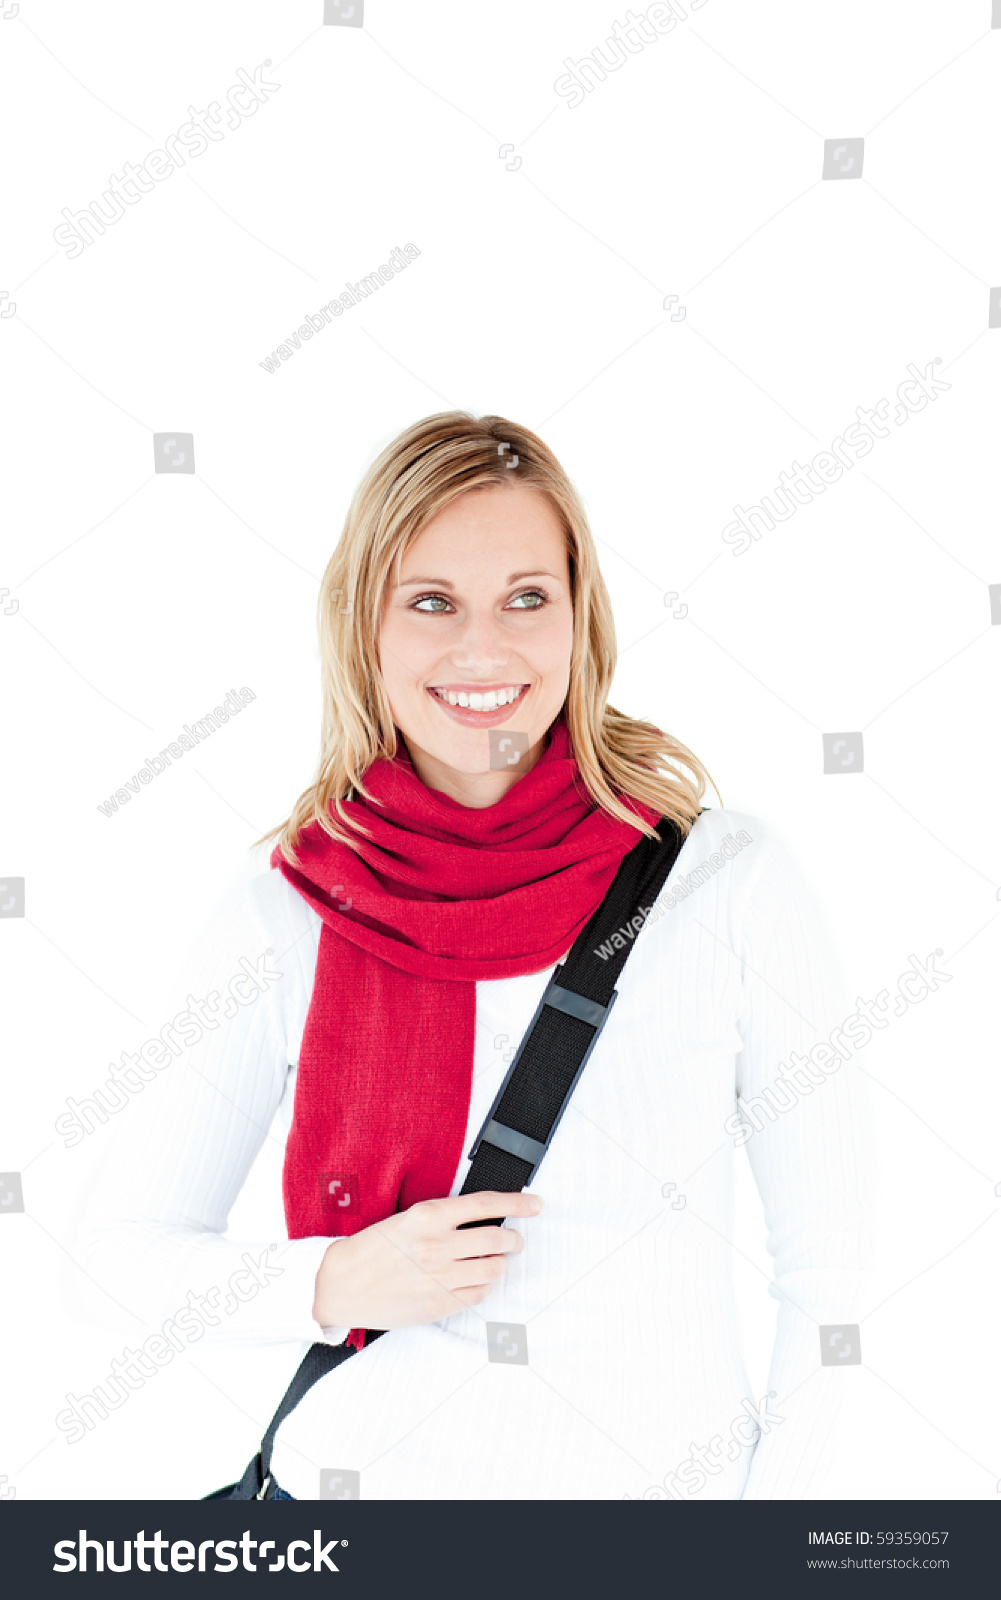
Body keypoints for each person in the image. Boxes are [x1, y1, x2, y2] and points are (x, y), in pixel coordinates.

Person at [78, 412, 871, 1500]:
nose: (482, 650)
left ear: (579, 617)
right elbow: (119, 1257)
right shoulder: (286, 908)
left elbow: (837, 1279)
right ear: (366, 624)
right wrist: (332, 1277)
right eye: (431, 602)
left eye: (525, 598)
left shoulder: (726, 884)